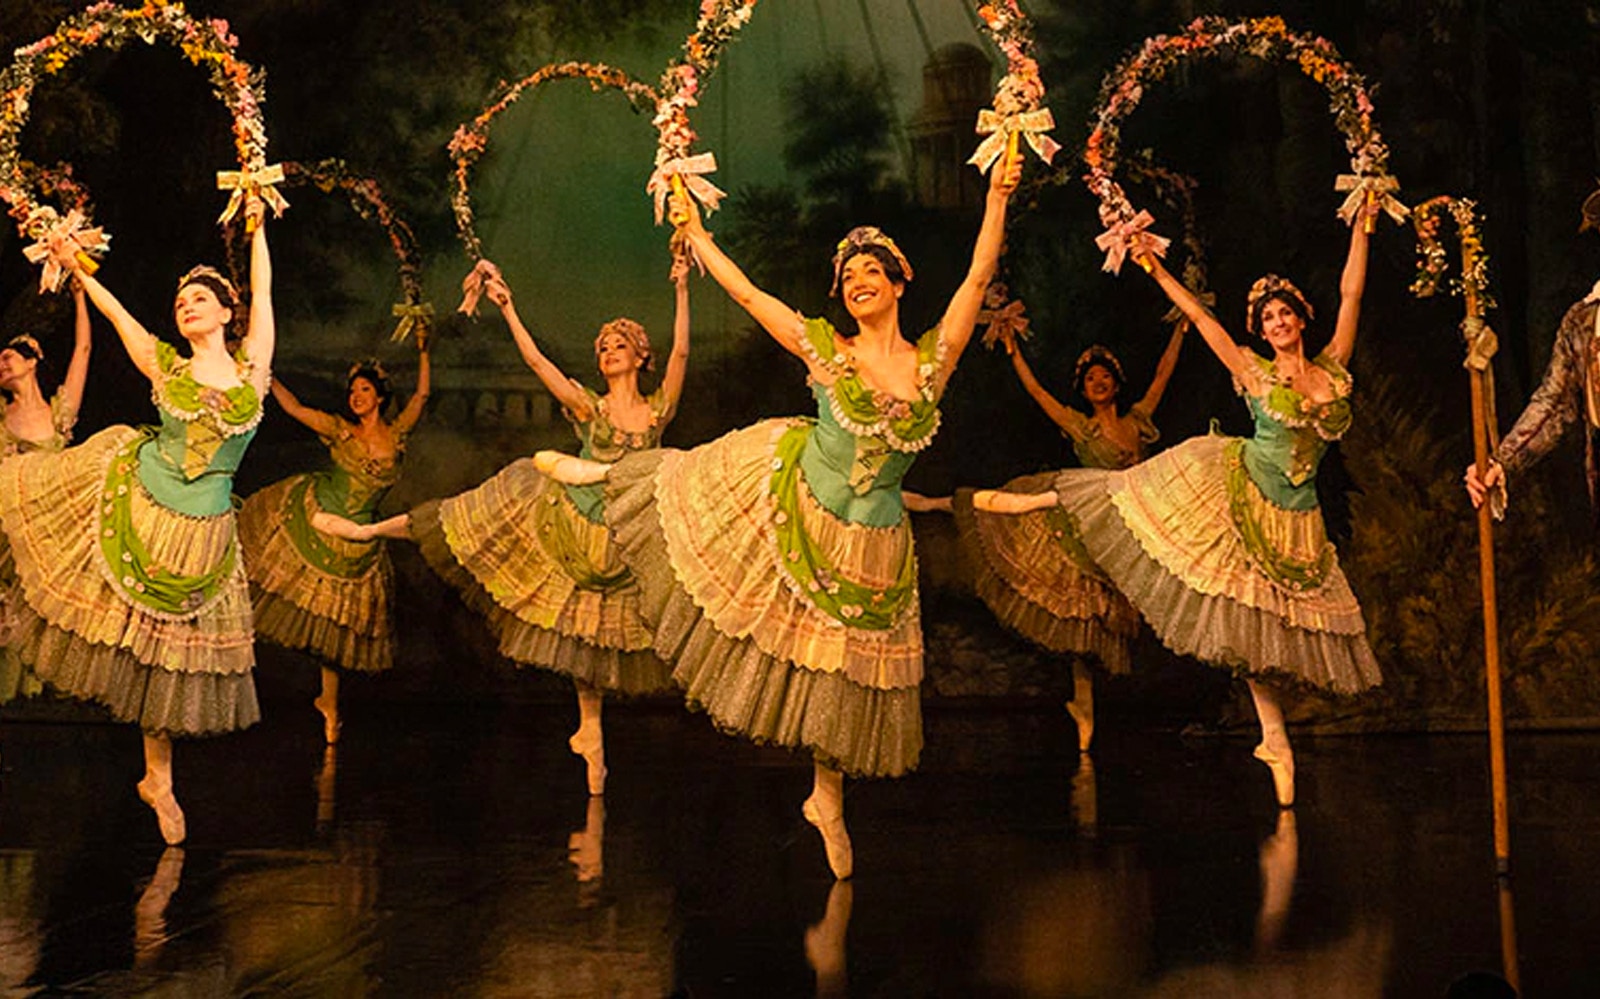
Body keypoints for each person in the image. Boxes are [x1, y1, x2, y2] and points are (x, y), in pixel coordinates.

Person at [534, 151, 1023, 879]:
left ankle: (827, 798)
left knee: (844, 673)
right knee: (686, 479)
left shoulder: (932, 361)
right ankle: (612, 473)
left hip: (875, 540)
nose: (857, 284)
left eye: (870, 273)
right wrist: (696, 236)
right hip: (800, 496)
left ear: (899, 281)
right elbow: (753, 296)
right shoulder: (826, 348)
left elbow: (978, 277)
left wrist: (997, 197)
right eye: (847, 277)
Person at [975, 204, 1383, 807]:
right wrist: (1153, 266)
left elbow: (1352, 293)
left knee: (1265, 626)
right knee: (1132, 503)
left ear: (1301, 319)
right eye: (1267, 317)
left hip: (1297, 516)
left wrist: (1360, 226)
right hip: (1238, 490)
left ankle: (1273, 737)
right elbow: (1199, 314)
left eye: (1284, 313)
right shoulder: (1252, 370)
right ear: (1260, 330)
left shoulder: (1333, 367)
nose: (1276, 323)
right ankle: (1037, 499)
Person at [316, 256, 690, 795]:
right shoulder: (588, 407)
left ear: (640, 356)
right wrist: (508, 308)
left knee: (596, 633)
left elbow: (681, 351)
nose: (608, 351)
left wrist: (679, 287)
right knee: (468, 520)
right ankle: (374, 531)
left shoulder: (658, 410)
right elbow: (539, 365)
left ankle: (590, 732)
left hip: (628, 539)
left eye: (618, 344)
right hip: (576, 526)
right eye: (602, 345)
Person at [0, 194, 274, 844]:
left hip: (202, 532)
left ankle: (158, 777)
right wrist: (75, 265)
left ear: (226, 311)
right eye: (181, 301)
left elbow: (266, 289)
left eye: (199, 299)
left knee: (169, 658)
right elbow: (116, 311)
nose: (187, 305)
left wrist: (258, 219)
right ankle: (158, 775)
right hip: (141, 499)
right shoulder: (165, 364)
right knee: (135, 639)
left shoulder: (252, 368)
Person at [947, 320, 1186, 752]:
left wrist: (1181, 329)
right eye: (1090, 378)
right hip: (1091, 525)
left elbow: (1163, 374)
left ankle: (1149, 696)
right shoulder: (1081, 426)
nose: (1097, 382)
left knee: (1133, 610)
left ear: (1116, 384)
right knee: (1085, 614)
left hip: (1135, 523)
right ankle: (1084, 707)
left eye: (1104, 376)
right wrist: (1013, 350)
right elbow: (1039, 395)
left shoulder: (1137, 420)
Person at [235, 332, 430, 744]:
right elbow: (293, 407)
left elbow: (422, 396)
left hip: (359, 541)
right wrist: (260, 366)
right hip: (318, 520)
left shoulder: (396, 435)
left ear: (378, 397)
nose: (356, 397)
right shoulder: (339, 430)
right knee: (284, 598)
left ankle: (329, 703)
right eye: (352, 391)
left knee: (335, 625)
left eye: (364, 390)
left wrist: (423, 348)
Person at [0, 280, 92, 703]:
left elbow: (83, 352)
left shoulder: (59, 413)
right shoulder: (2, 414)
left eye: (8, 357)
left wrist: (79, 297)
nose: (2, 365)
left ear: (33, 359)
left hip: (49, 524)